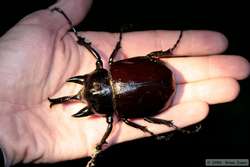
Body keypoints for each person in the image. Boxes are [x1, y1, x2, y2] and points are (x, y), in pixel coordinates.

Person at [0, 0, 249, 166]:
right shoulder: (107, 67)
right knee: (139, 112)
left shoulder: (116, 110)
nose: (82, 92)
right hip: (156, 82)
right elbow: (101, 60)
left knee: (139, 120)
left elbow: (111, 127)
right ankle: (171, 118)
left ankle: (171, 122)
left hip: (156, 88)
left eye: (83, 87)